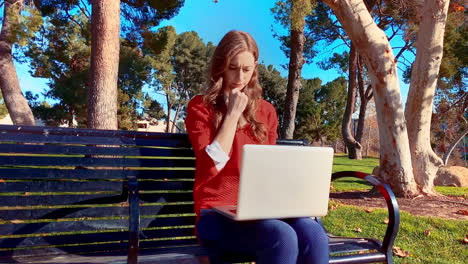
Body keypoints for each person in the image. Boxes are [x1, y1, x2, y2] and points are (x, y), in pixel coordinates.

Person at [185, 30, 329, 264]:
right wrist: (232, 115)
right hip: (215, 215)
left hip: (260, 213)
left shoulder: (266, 111)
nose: (239, 77)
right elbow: (210, 167)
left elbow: (268, 172)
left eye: (246, 69)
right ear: (220, 66)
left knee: (313, 233)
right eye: (232, 67)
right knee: (281, 236)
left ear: (255, 69)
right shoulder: (201, 108)